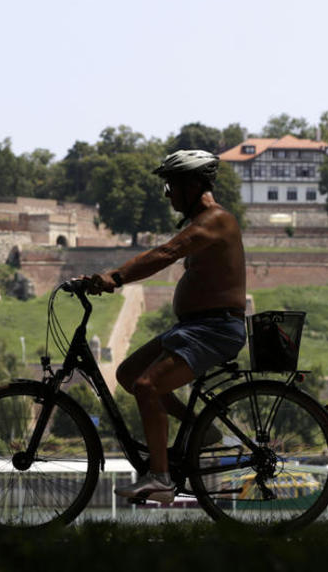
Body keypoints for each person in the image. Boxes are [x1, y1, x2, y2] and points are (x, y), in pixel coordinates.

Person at [85, 149, 246, 503]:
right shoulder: (201, 222)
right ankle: (197, 428)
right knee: (128, 374)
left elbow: (165, 253)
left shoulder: (215, 220)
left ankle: (160, 478)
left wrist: (116, 276)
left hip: (214, 329)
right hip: (195, 327)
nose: (168, 193)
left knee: (146, 385)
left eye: (171, 184)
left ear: (193, 184)